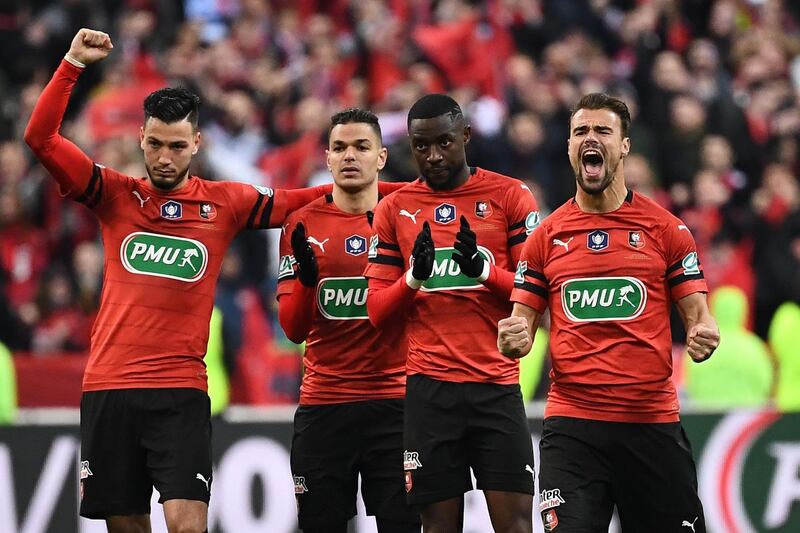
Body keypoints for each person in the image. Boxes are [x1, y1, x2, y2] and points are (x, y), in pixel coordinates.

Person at [23, 28, 400, 533]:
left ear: (196, 144)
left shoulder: (225, 202)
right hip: (110, 385)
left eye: (177, 146)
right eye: (154, 144)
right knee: (126, 525)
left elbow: (307, 199)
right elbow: (40, 139)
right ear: (141, 139)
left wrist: (411, 190)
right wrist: (71, 62)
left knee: (187, 525)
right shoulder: (113, 194)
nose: (164, 157)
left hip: (181, 390)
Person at [498, 93, 720, 532]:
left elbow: (699, 316)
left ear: (624, 146)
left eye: (602, 131)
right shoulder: (545, 237)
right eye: (581, 131)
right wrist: (515, 335)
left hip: (650, 425)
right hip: (573, 429)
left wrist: (703, 333)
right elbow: (520, 320)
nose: (590, 139)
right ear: (568, 147)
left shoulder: (666, 230)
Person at [364, 94, 539, 532]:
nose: (433, 155)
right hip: (429, 393)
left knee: (515, 526)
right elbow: (376, 312)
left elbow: (541, 293)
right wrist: (412, 280)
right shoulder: (394, 209)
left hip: (495, 387)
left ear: (466, 135)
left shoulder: (509, 195)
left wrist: (485, 271)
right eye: (421, 146)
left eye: (444, 142)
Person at [276, 108, 419, 533]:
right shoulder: (302, 223)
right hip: (325, 406)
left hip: (398, 405)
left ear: (381, 157)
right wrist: (305, 280)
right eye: (339, 147)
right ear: (327, 157)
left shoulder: (409, 217)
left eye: (361, 147)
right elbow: (293, 330)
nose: (349, 156)